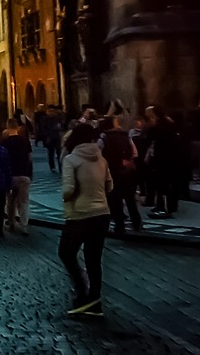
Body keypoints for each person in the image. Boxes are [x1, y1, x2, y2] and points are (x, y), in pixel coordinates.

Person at [59, 123, 113, 317]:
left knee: (66, 253)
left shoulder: (71, 159)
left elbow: (68, 189)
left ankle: (82, 292)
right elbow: (110, 186)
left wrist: (65, 198)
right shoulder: (101, 158)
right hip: (102, 214)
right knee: (93, 259)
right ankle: (94, 300)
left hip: (80, 215)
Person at [98, 116, 141, 235]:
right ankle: (136, 223)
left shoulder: (104, 137)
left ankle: (119, 226)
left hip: (111, 170)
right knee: (130, 199)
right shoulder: (125, 135)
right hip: (126, 171)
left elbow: (98, 153)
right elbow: (134, 152)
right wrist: (127, 161)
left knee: (115, 199)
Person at [1, 120, 33, 234]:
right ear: (17, 128)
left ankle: (11, 221)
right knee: (23, 201)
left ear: (7, 127)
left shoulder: (4, 142)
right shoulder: (25, 141)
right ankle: (24, 225)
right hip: (24, 174)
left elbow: (3, 160)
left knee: (10, 200)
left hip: (10, 175)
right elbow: (29, 158)